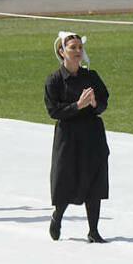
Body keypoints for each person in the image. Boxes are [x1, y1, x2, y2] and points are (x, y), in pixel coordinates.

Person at [46, 31, 110, 243]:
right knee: (67, 179)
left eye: (80, 47)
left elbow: (104, 102)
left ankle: (93, 230)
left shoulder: (91, 76)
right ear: (61, 52)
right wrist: (77, 106)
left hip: (91, 135)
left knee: (94, 180)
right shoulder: (54, 80)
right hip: (68, 137)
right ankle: (58, 216)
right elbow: (54, 111)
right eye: (73, 48)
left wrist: (93, 104)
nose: (77, 51)